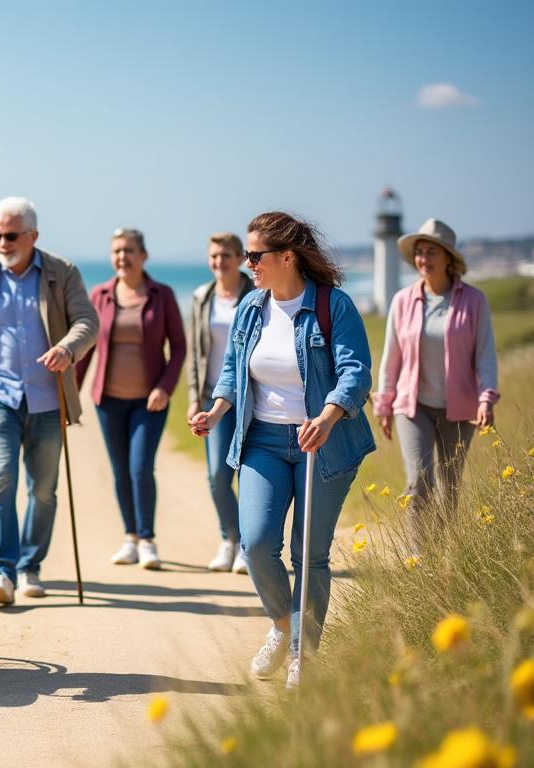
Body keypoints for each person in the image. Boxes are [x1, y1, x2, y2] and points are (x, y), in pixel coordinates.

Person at [189, 212, 375, 690]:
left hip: (324, 443)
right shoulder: (252, 307)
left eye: (256, 255)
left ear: (287, 257)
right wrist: (214, 411)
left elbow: (356, 372)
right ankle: (282, 625)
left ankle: (303, 655)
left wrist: (329, 415)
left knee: (308, 553)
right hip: (263, 441)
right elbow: (232, 369)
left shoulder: (335, 306)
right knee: (255, 542)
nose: (247, 264)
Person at [0, 197, 98, 604]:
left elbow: (88, 322)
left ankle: (30, 565)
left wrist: (68, 348)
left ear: (33, 235)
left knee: (43, 489)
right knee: (1, 478)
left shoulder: (62, 273)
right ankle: (1, 572)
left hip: (49, 398)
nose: (2, 241)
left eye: (11, 234)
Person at [373, 218, 498, 542]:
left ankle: (445, 555)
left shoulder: (473, 301)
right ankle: (419, 555)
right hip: (413, 406)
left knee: (450, 484)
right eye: (419, 252)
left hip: (460, 409)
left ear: (448, 258)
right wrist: (384, 404)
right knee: (418, 482)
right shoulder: (403, 301)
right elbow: (392, 357)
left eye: (430, 252)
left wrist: (487, 397)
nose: (423, 259)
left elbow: (485, 354)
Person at [75, 228, 186, 570]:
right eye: (117, 251)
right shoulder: (100, 295)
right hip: (108, 401)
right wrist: (72, 395)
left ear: (143, 256)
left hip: (148, 402)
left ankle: (148, 539)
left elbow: (179, 347)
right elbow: (87, 346)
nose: (123, 257)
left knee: (140, 468)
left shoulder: (162, 295)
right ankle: (130, 539)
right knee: (120, 471)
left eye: (129, 251)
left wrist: (164, 388)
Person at [185, 232, 254, 573]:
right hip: (215, 399)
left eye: (226, 255)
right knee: (217, 475)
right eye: (213, 256)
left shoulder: (258, 296)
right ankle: (230, 539)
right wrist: (193, 399)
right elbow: (195, 355)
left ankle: (250, 546)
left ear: (241, 258)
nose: (219, 262)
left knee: (248, 473)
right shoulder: (202, 297)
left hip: (254, 398)